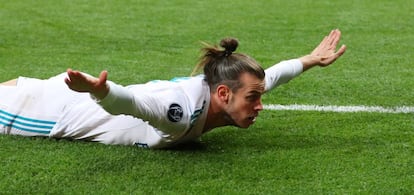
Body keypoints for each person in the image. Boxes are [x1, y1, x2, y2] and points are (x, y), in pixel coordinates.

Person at [0, 29, 346, 149]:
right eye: (253, 98)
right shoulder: (178, 113)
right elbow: (129, 102)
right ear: (223, 94)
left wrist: (311, 59)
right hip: (48, 114)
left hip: (61, 95)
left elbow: (273, 75)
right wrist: (100, 91)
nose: (260, 104)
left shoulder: (230, 84)